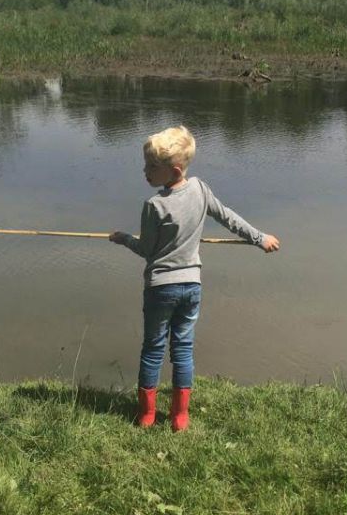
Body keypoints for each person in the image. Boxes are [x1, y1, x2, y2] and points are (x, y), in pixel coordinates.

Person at [109, 125, 280, 431]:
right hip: (192, 287)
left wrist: (124, 239)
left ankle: (147, 416)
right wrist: (259, 237)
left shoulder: (154, 205)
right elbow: (227, 217)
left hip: (161, 288)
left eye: (152, 167)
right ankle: (179, 418)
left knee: (153, 348)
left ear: (173, 170)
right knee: (183, 348)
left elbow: (148, 250)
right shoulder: (200, 189)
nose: (145, 171)